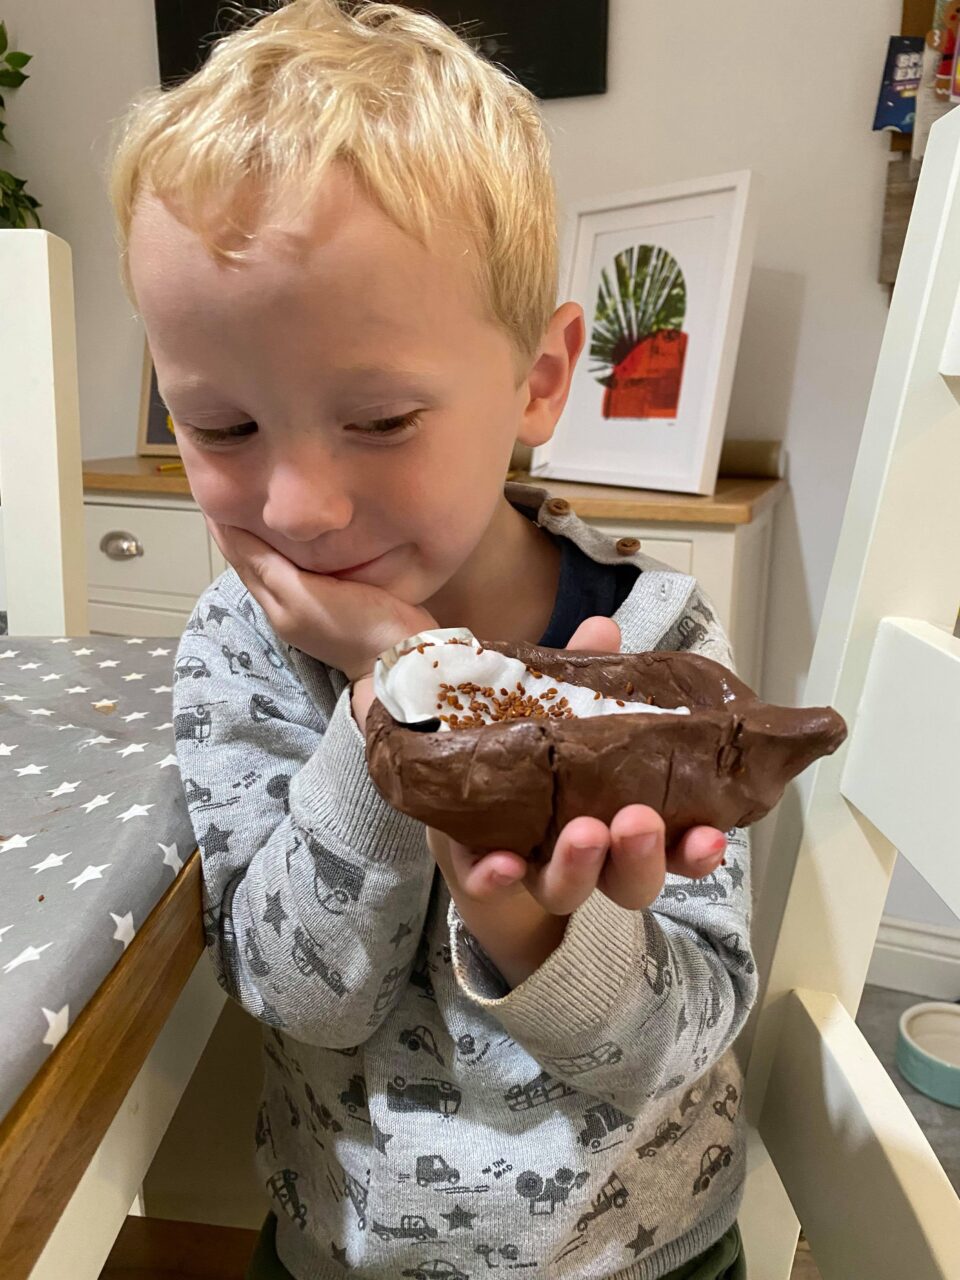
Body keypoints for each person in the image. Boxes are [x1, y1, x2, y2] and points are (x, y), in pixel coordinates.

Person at [109, 3, 756, 1276]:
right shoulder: (242, 648)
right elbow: (299, 996)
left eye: (383, 418)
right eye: (222, 428)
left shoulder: (653, 638)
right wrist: (394, 691)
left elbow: (692, 1023)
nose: (295, 509)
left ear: (539, 378)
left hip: (640, 1250)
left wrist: (542, 936)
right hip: (341, 1248)